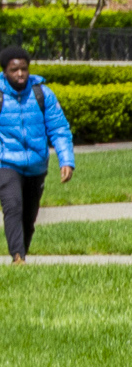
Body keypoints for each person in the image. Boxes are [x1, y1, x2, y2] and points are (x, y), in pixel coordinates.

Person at [0, 45, 75, 264]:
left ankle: (22, 251)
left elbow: (59, 128)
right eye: (14, 70)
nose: (20, 74)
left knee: (29, 216)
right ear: (4, 71)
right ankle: (17, 257)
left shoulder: (42, 93)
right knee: (13, 205)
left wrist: (66, 160)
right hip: (6, 162)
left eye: (24, 69)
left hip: (36, 164)